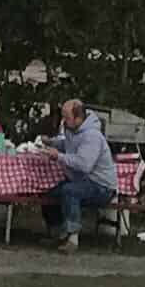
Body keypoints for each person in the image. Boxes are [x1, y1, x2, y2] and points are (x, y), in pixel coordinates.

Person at [44, 98, 117, 250]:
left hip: (101, 185)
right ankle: (58, 234)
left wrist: (59, 156)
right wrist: (52, 142)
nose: (64, 121)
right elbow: (68, 145)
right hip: (83, 181)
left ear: (78, 118)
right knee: (50, 194)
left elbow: (84, 165)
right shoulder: (72, 129)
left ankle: (73, 238)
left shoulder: (92, 136)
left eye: (67, 117)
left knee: (70, 191)